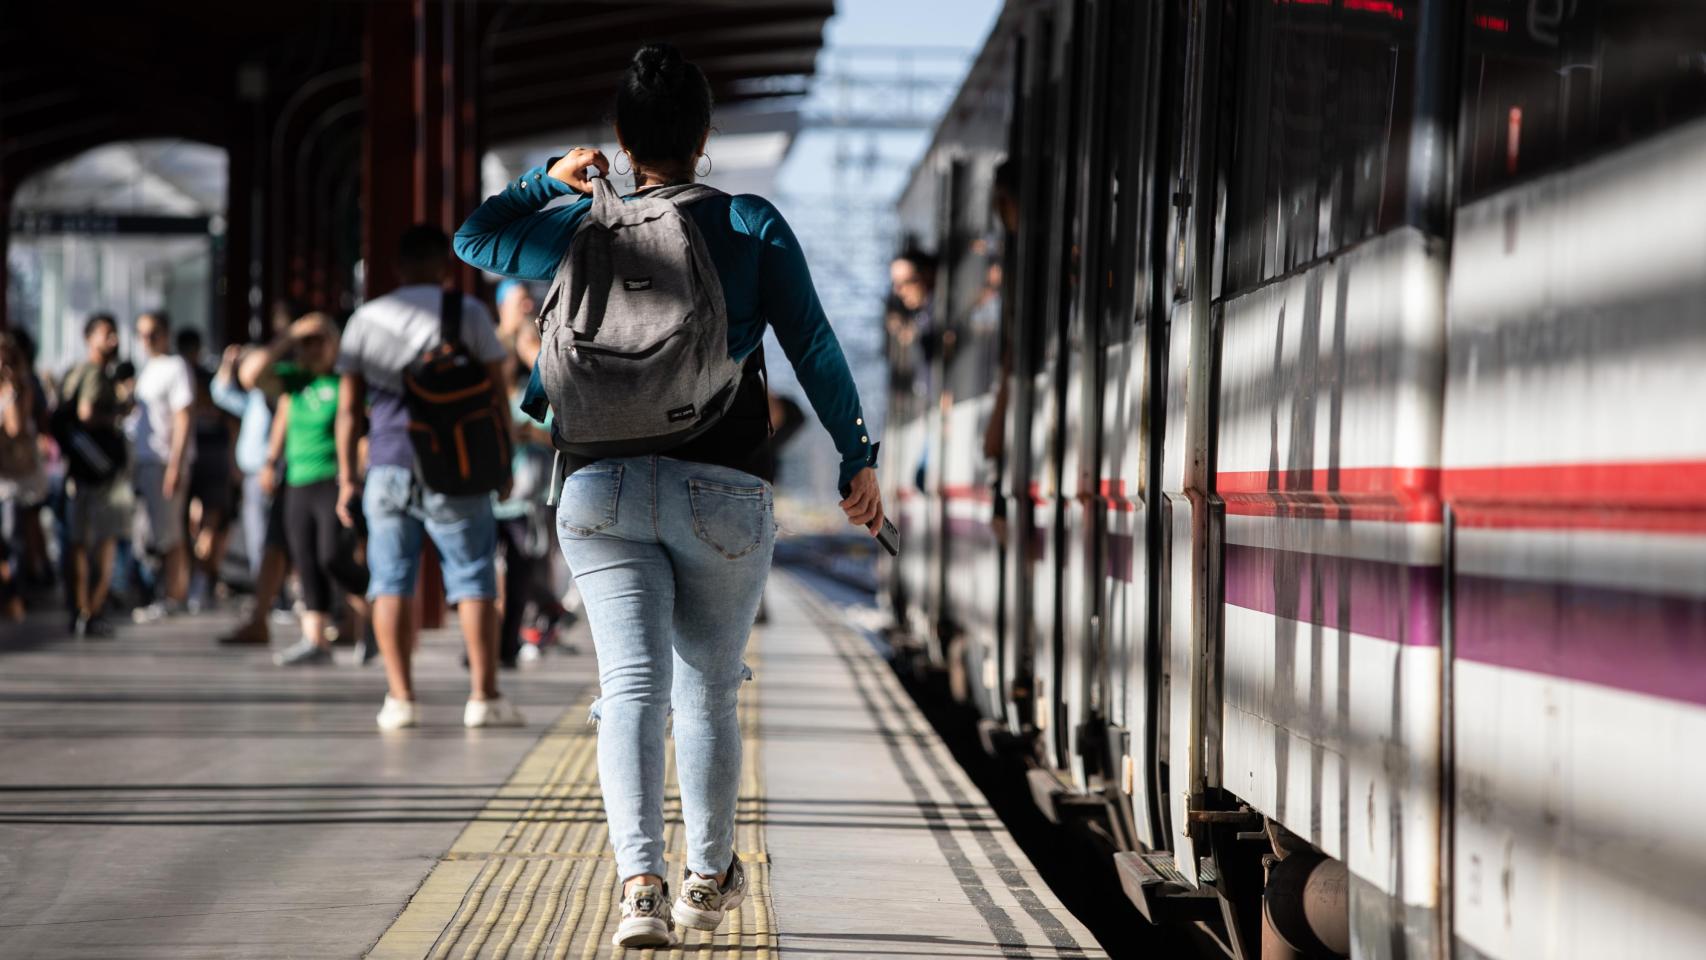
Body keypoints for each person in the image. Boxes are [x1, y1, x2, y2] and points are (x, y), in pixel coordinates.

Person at [453, 43, 884, 948]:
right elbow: (814, 347)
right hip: (721, 494)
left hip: (599, 487)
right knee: (710, 691)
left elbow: (474, 238)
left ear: (619, 137)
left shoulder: (581, 223)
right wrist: (856, 458)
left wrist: (548, 179)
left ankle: (638, 885)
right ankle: (704, 879)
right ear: (707, 135)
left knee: (631, 688)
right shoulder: (752, 222)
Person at [334, 224, 520, 730]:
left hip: (388, 463)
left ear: (397, 266)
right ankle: (483, 698)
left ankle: (400, 699)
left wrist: (348, 478)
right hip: (457, 463)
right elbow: (497, 398)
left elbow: (350, 410)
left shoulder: (366, 319)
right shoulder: (469, 313)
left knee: (390, 579)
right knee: (473, 578)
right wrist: (500, 464)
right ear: (444, 265)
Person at [240, 313, 369, 666]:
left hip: (332, 479)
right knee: (305, 560)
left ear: (334, 344)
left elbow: (358, 430)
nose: (312, 349)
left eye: (319, 341)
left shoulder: (344, 381)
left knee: (333, 556)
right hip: (297, 479)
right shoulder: (294, 382)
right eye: (307, 344)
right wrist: (291, 334)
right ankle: (316, 640)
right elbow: (250, 374)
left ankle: (375, 609)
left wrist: (352, 478)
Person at [59, 314, 133, 636]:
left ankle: (82, 608)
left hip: (81, 471)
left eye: (115, 334)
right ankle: (92, 609)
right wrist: (119, 410)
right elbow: (87, 413)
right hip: (100, 475)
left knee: (80, 542)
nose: (113, 340)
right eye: (107, 334)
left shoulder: (75, 373)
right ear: (89, 338)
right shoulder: (93, 375)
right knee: (103, 542)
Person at [129, 311, 196, 618]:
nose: (147, 339)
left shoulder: (175, 367)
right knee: (153, 533)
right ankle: (167, 592)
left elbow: (183, 417)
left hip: (164, 460)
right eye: (142, 334)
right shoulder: (147, 370)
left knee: (170, 533)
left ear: (166, 333)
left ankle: (174, 595)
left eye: (153, 333)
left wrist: (175, 464)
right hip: (145, 461)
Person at [176, 329, 236, 612]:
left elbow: (231, 421)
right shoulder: (180, 379)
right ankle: (198, 576)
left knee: (208, 522)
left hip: (211, 457)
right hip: (195, 458)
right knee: (193, 523)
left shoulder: (211, 380)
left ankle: (200, 578)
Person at [0, 330, 50, 622]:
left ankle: (16, 593)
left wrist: (11, 388)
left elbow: (17, 428)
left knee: (12, 534)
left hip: (14, 476)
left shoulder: (21, 387)